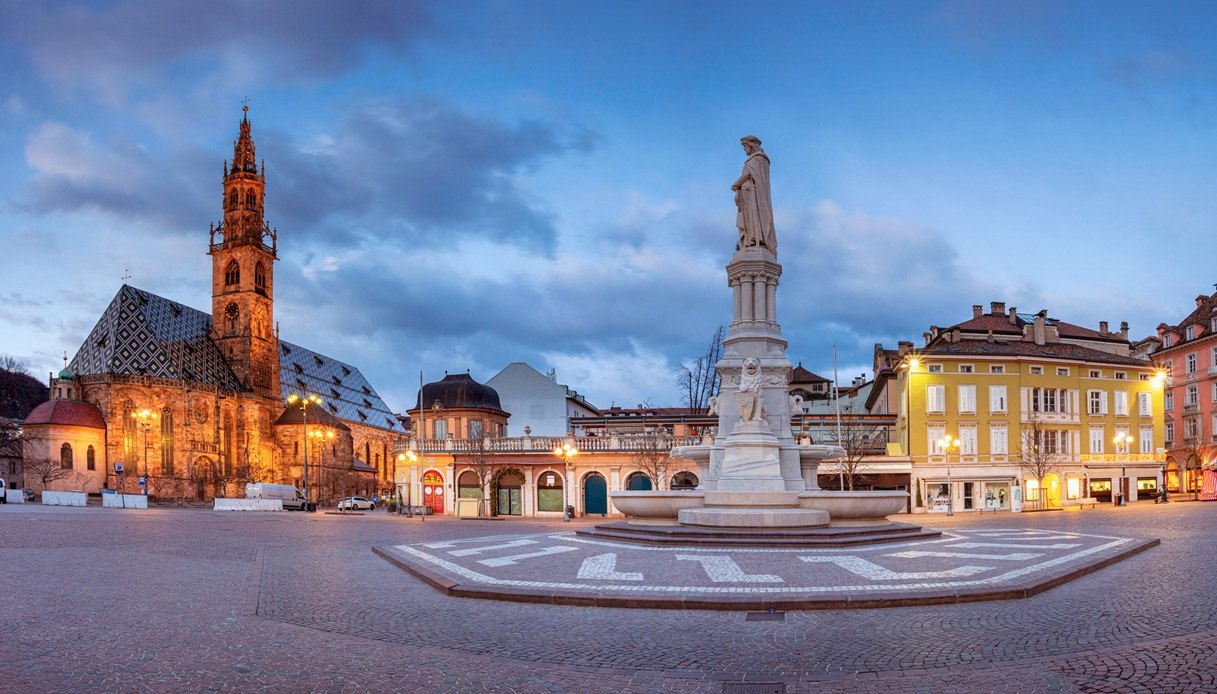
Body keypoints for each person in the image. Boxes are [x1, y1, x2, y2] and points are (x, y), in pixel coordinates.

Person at [732, 135, 777, 254]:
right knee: (749, 218)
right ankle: (749, 240)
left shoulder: (757, 159)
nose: (744, 149)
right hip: (747, 193)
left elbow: (747, 174)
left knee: (754, 215)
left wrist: (735, 184)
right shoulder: (759, 160)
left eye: (745, 146)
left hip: (753, 194)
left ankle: (755, 239)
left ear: (751, 146)